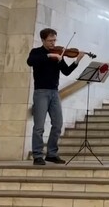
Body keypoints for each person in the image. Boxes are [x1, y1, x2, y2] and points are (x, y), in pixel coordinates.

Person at [27, 28, 84, 166]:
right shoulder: (37, 52)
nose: (53, 43)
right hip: (41, 92)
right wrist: (49, 56)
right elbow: (30, 61)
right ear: (43, 40)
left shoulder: (59, 53)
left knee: (57, 124)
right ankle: (37, 155)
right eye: (50, 40)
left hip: (54, 92)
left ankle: (51, 154)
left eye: (54, 40)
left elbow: (66, 71)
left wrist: (77, 61)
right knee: (39, 126)